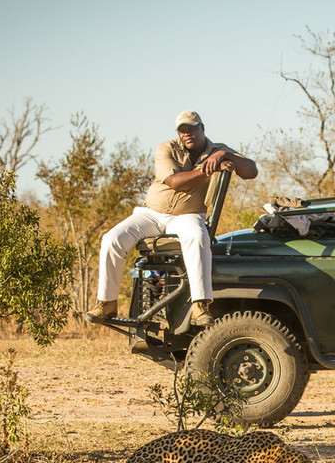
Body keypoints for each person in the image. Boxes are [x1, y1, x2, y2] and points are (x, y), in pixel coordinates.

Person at [85, 110, 258, 325]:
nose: (187, 134)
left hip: (187, 215)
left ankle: (201, 305)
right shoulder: (166, 148)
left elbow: (251, 170)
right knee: (112, 239)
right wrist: (207, 170)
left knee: (197, 236)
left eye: (192, 128)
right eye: (182, 130)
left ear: (202, 128)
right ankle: (107, 303)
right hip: (151, 214)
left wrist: (224, 156)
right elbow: (175, 181)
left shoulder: (217, 150)